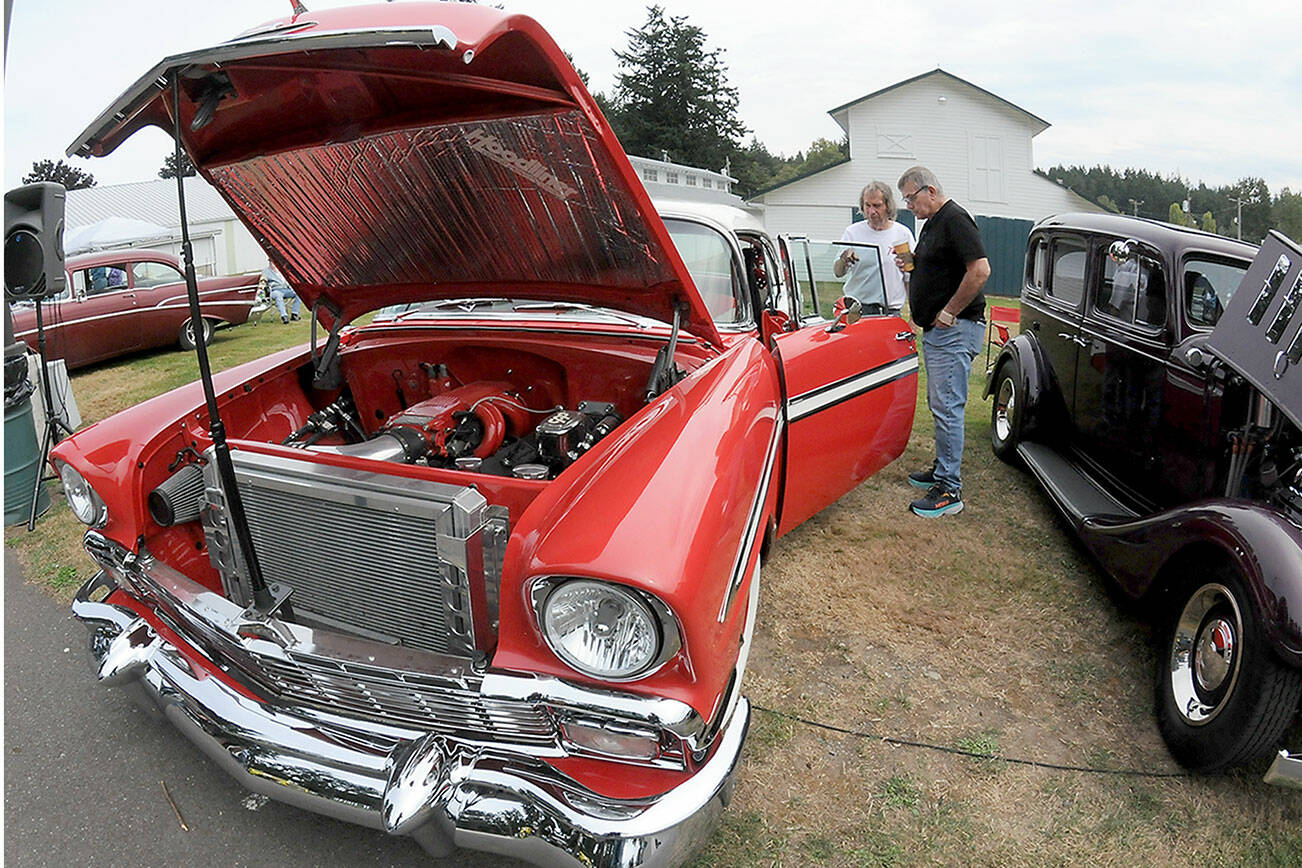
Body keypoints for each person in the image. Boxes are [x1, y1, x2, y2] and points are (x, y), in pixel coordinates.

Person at [896, 166, 990, 518]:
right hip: (939, 332)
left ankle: (949, 490)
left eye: (910, 198)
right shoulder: (934, 224)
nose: (909, 206)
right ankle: (941, 470)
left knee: (948, 407)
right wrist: (911, 262)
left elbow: (980, 270)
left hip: (955, 329)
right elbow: (938, 267)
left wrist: (949, 312)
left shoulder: (955, 219)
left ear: (930, 190)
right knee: (941, 405)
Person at [832, 181, 914, 315]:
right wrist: (844, 259)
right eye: (867, 206)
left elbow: (910, 278)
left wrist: (914, 315)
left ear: (888, 206)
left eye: (877, 206)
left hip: (890, 312)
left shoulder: (902, 234)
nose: (871, 211)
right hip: (857, 311)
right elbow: (838, 272)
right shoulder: (852, 232)